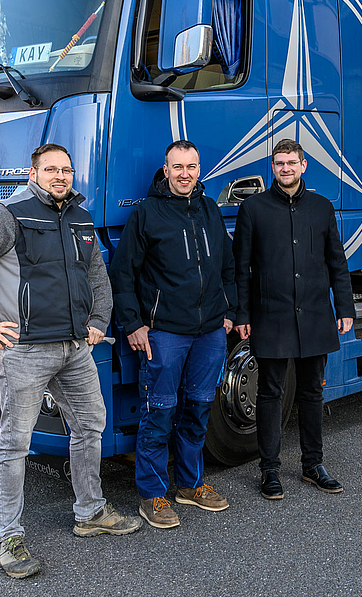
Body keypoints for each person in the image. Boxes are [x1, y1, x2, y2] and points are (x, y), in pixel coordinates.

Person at [0, 143, 141, 580]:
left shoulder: (80, 217)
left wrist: (97, 321)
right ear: (33, 173)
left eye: (66, 170)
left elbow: (97, 276)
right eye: (50, 169)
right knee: (15, 443)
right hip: (25, 351)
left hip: (75, 349)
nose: (60, 176)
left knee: (92, 424)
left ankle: (90, 513)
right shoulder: (9, 215)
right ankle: (7, 538)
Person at [108, 139, 236, 528]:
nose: (184, 174)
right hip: (164, 333)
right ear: (165, 170)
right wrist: (132, 323)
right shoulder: (147, 214)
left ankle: (191, 485)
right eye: (177, 167)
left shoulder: (210, 210)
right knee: (159, 412)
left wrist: (227, 312)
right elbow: (123, 274)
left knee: (198, 409)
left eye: (191, 167)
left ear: (200, 170)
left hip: (210, 332)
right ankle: (153, 495)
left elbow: (227, 266)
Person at [233, 139, 355, 500]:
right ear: (273, 167)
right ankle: (269, 470)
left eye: (291, 162)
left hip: (316, 314)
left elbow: (337, 262)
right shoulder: (253, 208)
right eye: (279, 163)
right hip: (271, 314)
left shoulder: (322, 208)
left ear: (304, 166)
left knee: (312, 392)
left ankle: (312, 466)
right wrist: (242, 313)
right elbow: (241, 268)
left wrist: (345, 307)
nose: (285, 168)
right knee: (270, 393)